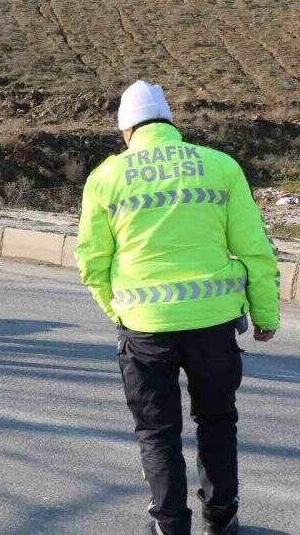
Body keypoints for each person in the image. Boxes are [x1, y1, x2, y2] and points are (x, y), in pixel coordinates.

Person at [75, 81, 279, 535]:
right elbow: (255, 250)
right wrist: (265, 315)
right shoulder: (219, 166)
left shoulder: (107, 177)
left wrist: (121, 312)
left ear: (126, 130)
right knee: (218, 420)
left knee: (157, 431)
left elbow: (92, 262)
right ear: (171, 122)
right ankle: (222, 519)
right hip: (213, 324)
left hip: (145, 328)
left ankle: (169, 525)